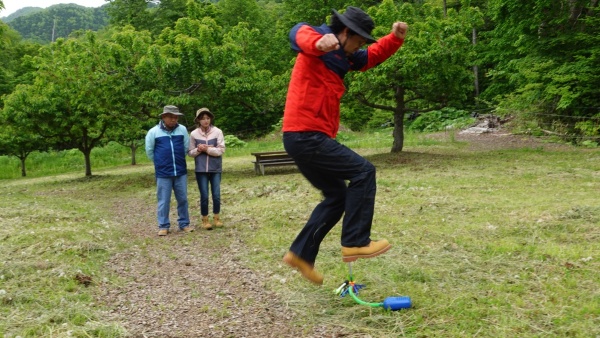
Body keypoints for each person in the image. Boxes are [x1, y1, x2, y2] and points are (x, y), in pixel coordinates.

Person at [281, 7, 409, 284]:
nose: (360, 47)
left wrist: (395, 38)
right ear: (345, 33)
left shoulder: (343, 57)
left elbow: (371, 57)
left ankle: (300, 254)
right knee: (364, 171)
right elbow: (298, 32)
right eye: (359, 40)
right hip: (307, 135)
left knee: (337, 196)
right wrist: (318, 42)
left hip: (303, 138)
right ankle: (356, 241)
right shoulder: (320, 42)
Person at [145, 105, 193, 236]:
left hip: (180, 171)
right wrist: (160, 163)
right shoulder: (153, 132)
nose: (174, 119)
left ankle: (184, 224)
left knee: (182, 199)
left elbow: (185, 147)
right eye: (171, 117)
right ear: (163, 117)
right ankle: (163, 226)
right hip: (163, 173)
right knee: (163, 200)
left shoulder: (182, 129)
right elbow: (150, 151)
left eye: (176, 117)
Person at [188, 108, 226, 230]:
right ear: (198, 120)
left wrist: (207, 149)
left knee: (216, 194)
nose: (206, 121)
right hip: (201, 169)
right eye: (203, 118)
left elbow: (221, 150)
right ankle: (205, 219)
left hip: (215, 168)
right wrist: (198, 149)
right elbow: (190, 152)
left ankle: (217, 217)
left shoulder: (217, 132)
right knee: (204, 195)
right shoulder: (194, 134)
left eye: (208, 118)